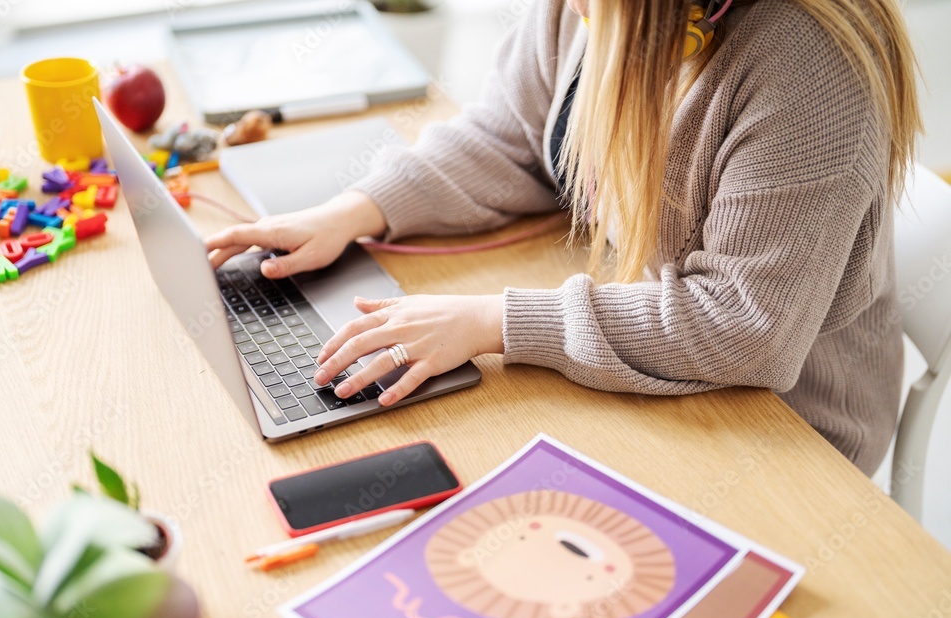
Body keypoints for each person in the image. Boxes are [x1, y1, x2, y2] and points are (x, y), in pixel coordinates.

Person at [206, 0, 922, 476]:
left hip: (783, 438)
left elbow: (743, 327)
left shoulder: (809, 62)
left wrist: (495, 320)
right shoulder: (592, 9)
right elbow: (513, 137)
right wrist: (355, 210)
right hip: (657, 376)